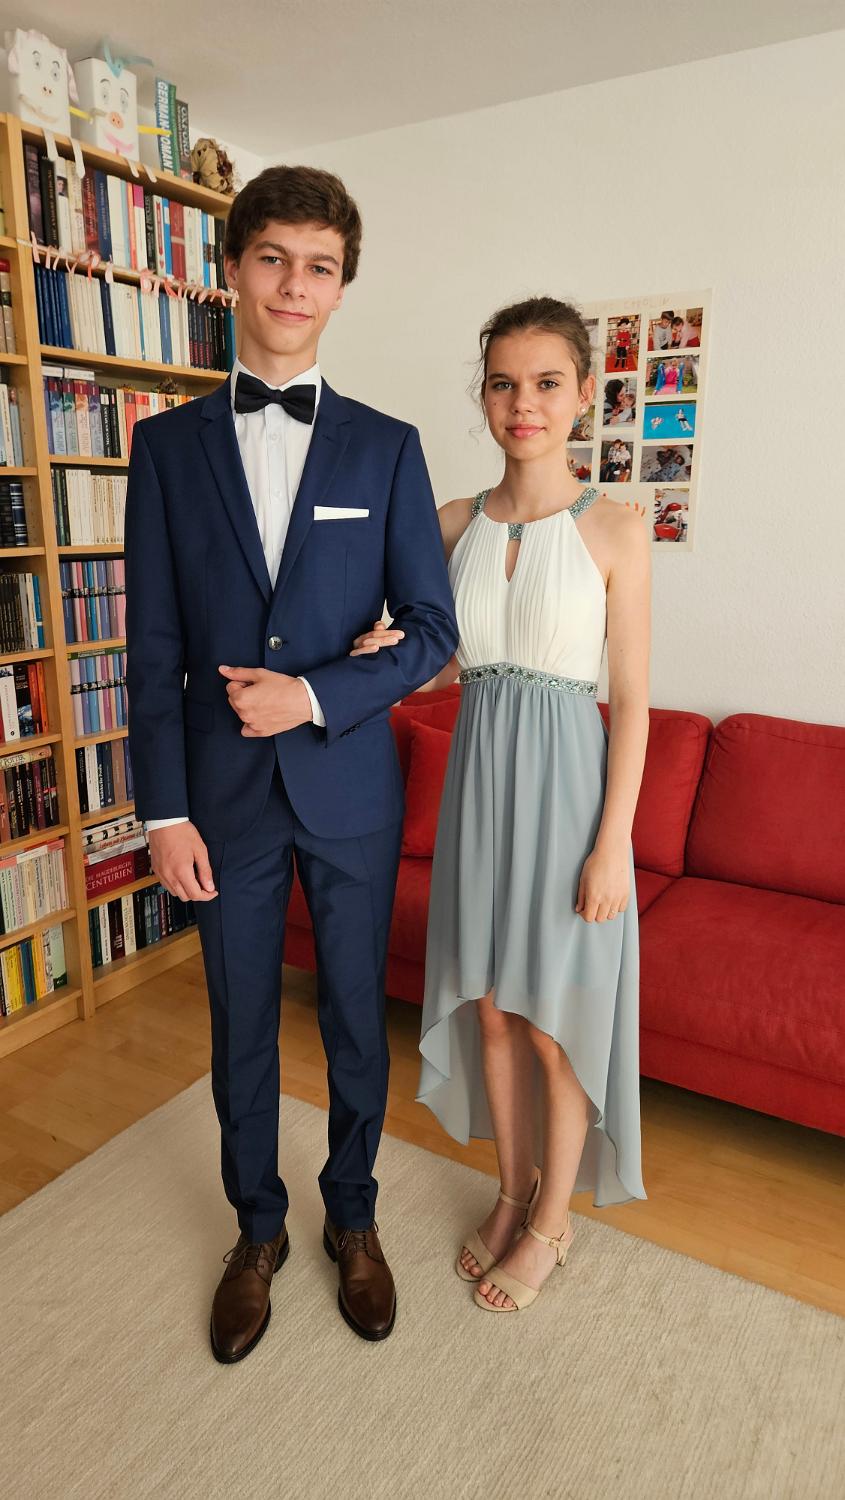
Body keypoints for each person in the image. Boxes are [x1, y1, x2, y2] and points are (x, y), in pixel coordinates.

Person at [125, 164, 458, 1362]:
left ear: (340, 287)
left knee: (358, 1021)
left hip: (350, 788)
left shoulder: (387, 449)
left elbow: (431, 630)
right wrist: (160, 811)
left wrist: (315, 692)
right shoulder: (163, 449)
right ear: (233, 269)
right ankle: (256, 1229)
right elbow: (150, 648)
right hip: (218, 802)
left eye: (318, 266)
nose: (293, 284)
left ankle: (351, 1216)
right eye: (272, 257)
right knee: (240, 1027)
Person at [354, 297, 649, 1314]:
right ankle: (511, 1191)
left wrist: (614, 844)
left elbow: (633, 701)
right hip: (477, 785)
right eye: (502, 383)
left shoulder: (616, 528)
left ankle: (553, 1221)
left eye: (545, 382)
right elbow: (442, 665)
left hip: (568, 792)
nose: (523, 403)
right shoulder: (450, 523)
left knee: (550, 1024)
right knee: (488, 1010)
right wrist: (384, 655)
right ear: (483, 396)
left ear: (582, 395)